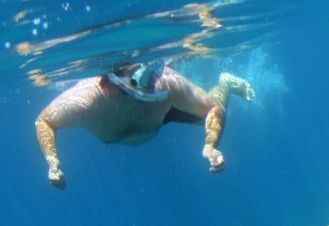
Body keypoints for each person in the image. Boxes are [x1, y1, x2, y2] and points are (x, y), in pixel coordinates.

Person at [34, 62, 255, 189]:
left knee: (210, 110)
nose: (148, 93)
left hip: (161, 117)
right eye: (136, 93)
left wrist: (210, 145)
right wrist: (53, 162)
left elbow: (214, 108)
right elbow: (44, 121)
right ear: (111, 87)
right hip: (149, 122)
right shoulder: (85, 100)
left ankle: (225, 83)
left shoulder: (165, 84)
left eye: (151, 85)